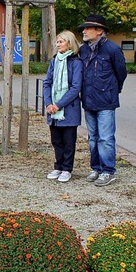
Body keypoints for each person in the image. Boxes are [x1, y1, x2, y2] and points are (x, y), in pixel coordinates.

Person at [78, 14, 127, 186]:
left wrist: (113, 91)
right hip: (88, 100)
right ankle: (96, 168)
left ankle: (108, 171)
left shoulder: (112, 49)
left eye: (87, 28)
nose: (83, 31)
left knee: (105, 138)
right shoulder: (83, 50)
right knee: (93, 137)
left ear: (99, 31)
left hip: (106, 101)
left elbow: (121, 74)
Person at [43, 30, 83, 183]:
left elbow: (75, 87)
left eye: (61, 41)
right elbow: (47, 82)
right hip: (53, 109)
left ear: (69, 43)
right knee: (56, 140)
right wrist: (49, 104)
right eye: (57, 42)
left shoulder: (76, 62)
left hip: (68, 109)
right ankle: (58, 166)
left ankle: (67, 168)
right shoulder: (54, 61)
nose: (58, 44)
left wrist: (59, 105)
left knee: (68, 141)